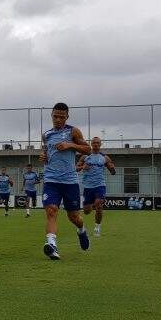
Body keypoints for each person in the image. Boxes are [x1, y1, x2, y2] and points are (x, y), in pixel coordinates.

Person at [39, 102, 92, 260]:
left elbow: (88, 149)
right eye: (55, 116)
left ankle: (81, 230)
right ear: (52, 116)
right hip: (51, 180)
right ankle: (52, 245)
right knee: (51, 211)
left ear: (67, 117)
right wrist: (43, 157)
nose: (58, 120)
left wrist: (70, 145)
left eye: (62, 117)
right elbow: (46, 153)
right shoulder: (46, 135)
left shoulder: (73, 131)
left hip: (69, 181)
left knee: (74, 217)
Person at [77, 137, 116, 237]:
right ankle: (91, 206)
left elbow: (112, 171)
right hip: (88, 186)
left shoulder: (105, 158)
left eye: (97, 143)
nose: (96, 144)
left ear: (100, 144)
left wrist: (112, 169)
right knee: (86, 211)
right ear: (91, 144)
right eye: (94, 143)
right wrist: (82, 167)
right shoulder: (85, 157)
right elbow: (76, 168)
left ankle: (97, 227)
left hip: (100, 185)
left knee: (99, 205)